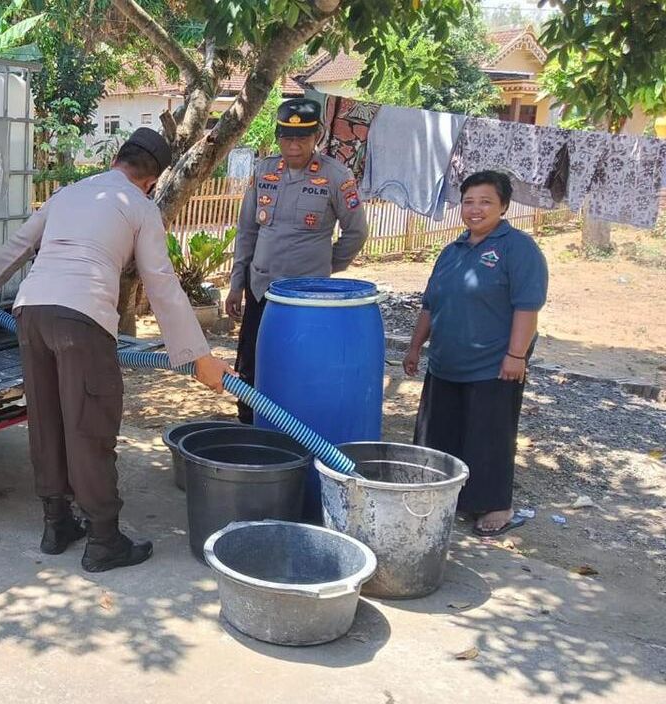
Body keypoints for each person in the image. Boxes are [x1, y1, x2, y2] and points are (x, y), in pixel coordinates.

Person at [0, 128, 233, 572]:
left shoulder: (71, 193)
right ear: (151, 180)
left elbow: (21, 242)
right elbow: (161, 285)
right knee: (89, 425)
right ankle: (104, 539)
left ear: (117, 159)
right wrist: (199, 358)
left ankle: (56, 524)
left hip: (31, 312)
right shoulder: (141, 206)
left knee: (47, 419)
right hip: (81, 318)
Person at [403, 170, 548, 536]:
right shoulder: (451, 251)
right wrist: (415, 347)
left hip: (493, 367)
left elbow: (527, 307)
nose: (475, 209)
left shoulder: (518, 249)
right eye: (469, 201)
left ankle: (494, 506)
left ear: (503, 206)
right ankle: (444, 500)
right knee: (439, 437)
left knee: (488, 439)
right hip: (446, 363)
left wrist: (516, 356)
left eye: (486, 201)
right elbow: (430, 305)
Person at [226, 98, 370, 423]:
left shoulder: (337, 176)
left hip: (307, 297)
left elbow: (355, 232)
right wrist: (237, 283)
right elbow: (246, 230)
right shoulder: (264, 171)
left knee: (300, 366)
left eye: (302, 137)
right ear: (278, 137)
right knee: (250, 365)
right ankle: (249, 428)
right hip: (261, 289)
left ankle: (293, 433)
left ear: (316, 135)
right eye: (287, 137)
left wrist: (325, 268)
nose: (294, 145)